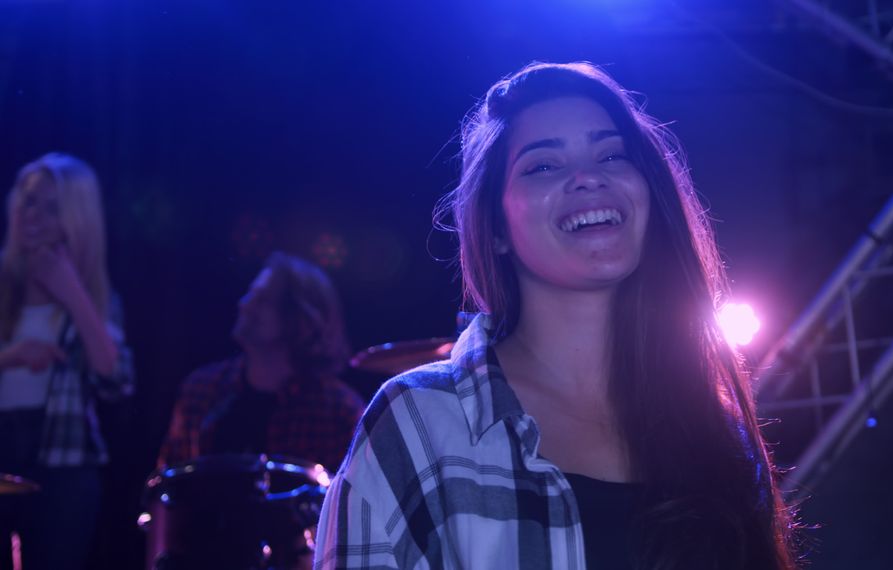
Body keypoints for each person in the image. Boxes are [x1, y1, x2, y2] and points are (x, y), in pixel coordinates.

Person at [315, 62, 798, 569]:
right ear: (495, 227)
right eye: (543, 165)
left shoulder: (712, 426)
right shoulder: (417, 422)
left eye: (612, 154)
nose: (589, 178)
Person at [0, 153, 134, 570]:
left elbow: (116, 380)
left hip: (64, 461)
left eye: (51, 207)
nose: (33, 216)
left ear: (76, 220)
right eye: (29, 201)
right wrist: (12, 357)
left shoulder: (94, 297)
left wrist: (72, 292)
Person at [158, 252, 365, 473]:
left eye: (262, 299)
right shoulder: (200, 390)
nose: (244, 304)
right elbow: (171, 486)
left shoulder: (339, 412)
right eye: (250, 294)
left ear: (300, 318)